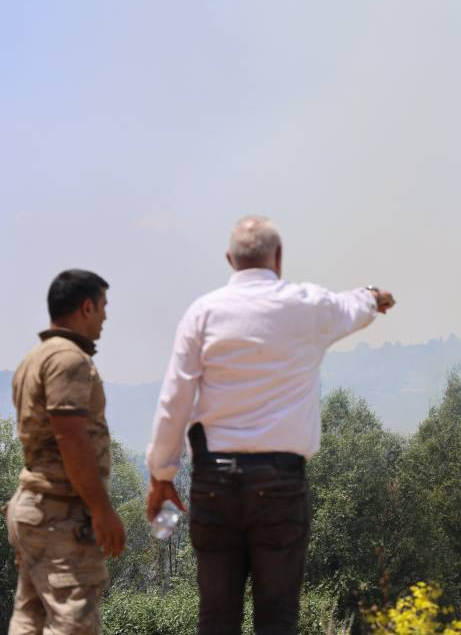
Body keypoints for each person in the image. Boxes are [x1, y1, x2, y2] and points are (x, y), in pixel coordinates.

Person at [145, 216, 395, 635]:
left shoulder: (202, 313)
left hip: (213, 483)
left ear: (230, 259)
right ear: (278, 257)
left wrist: (161, 477)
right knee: (278, 618)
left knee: (216, 617)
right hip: (281, 484)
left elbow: (175, 401)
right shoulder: (306, 305)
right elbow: (355, 305)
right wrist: (375, 294)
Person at [5, 270, 126, 635]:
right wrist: (101, 510)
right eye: (103, 307)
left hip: (33, 510)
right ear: (86, 307)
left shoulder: (33, 359)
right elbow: (70, 438)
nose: (105, 317)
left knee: (31, 618)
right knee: (74, 623)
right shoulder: (69, 360)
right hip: (61, 515)